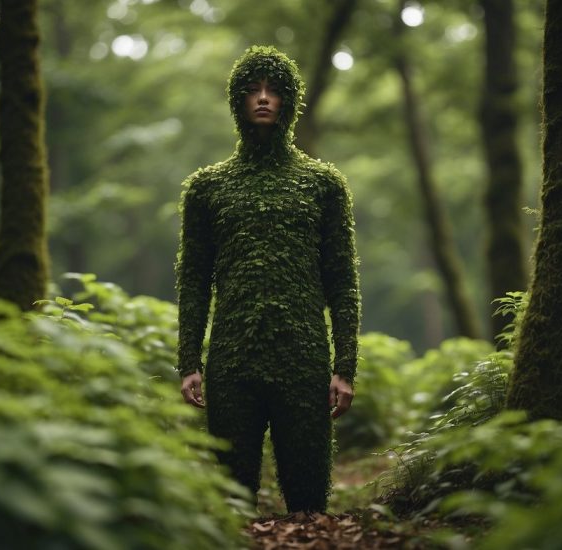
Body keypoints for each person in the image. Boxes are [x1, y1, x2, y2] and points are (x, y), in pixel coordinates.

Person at [175, 45, 360, 513]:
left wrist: (344, 367)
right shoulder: (207, 187)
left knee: (308, 503)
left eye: (274, 91)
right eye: (253, 90)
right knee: (232, 504)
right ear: (237, 100)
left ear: (289, 102)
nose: (263, 98)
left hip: (303, 358)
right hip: (232, 360)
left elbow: (341, 281)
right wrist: (189, 362)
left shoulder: (323, 184)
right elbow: (195, 279)